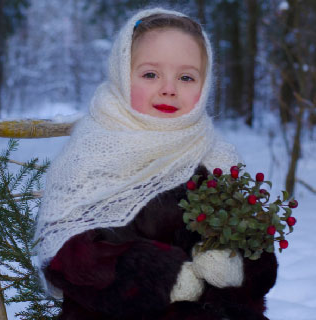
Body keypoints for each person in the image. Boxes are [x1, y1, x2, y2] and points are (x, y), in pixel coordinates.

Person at [35, 7, 278, 320]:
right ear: (123, 73)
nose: (169, 88)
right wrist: (166, 277)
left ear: (205, 84)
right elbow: (67, 257)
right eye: (150, 74)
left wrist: (236, 265)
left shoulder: (218, 158)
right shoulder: (90, 155)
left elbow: (260, 260)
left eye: (186, 77)